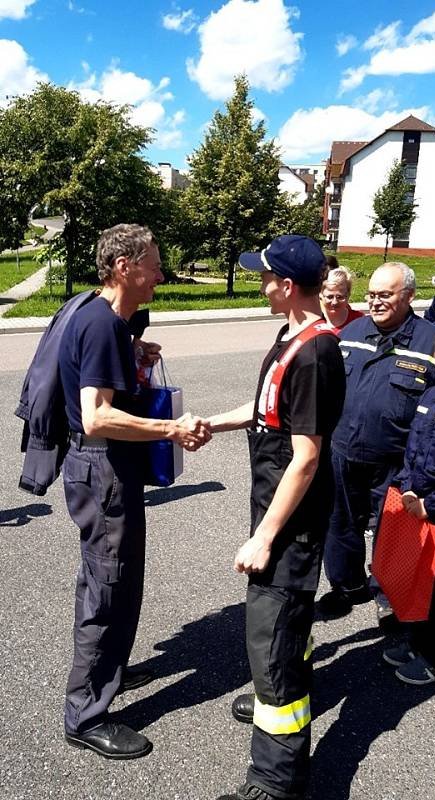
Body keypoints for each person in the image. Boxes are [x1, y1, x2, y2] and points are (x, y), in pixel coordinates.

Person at [59, 223, 209, 759]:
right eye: (154, 264)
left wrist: (136, 354)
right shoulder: (101, 324)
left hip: (106, 471)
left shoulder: (109, 322)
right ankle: (85, 713)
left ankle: (107, 674)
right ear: (125, 267)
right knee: (107, 587)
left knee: (115, 584)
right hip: (102, 470)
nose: (160, 274)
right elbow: (96, 417)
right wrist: (170, 429)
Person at [207, 235, 345, 800]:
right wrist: (209, 424)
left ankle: (275, 782)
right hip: (273, 506)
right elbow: (267, 414)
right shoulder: (288, 336)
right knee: (284, 640)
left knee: (273, 637)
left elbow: (306, 457)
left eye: (264, 278)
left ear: (287, 287)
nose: (259, 285)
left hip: (289, 524)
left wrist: (264, 538)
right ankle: (277, 689)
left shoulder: (315, 352)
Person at [320, 262, 435, 630]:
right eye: (371, 294)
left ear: (409, 296)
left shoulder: (430, 340)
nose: (375, 302)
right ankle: (347, 585)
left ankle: (388, 596)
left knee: (391, 533)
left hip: (396, 461)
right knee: (339, 524)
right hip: (342, 451)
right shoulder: (351, 332)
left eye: (384, 295)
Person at [381, 327, 435, 685]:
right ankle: (420, 641)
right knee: (419, 580)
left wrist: (431, 504)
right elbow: (413, 448)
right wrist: (405, 488)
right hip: (416, 503)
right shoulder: (432, 395)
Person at [320, 265, 364, 334]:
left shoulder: (359, 321)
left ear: (348, 295)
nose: (334, 302)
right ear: (321, 295)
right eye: (330, 297)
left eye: (340, 297)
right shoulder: (313, 320)